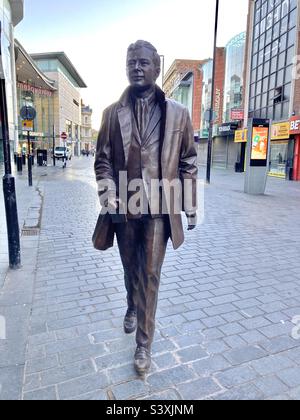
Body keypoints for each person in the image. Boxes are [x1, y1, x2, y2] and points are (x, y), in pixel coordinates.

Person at [94, 40, 198, 375]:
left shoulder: (178, 113)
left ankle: (143, 345)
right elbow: (103, 162)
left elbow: (188, 161)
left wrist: (190, 204)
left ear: (156, 67)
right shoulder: (112, 113)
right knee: (130, 269)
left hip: (160, 207)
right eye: (131, 63)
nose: (136, 68)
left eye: (143, 63)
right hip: (125, 205)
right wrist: (108, 193)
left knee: (151, 274)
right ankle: (130, 304)